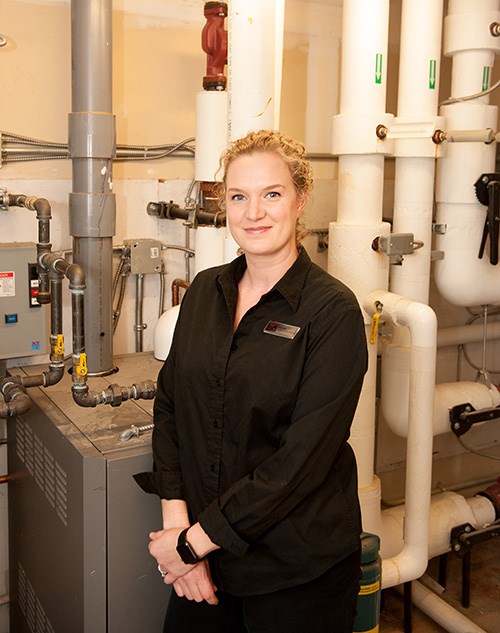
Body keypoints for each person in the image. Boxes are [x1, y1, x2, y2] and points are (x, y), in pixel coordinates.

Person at [135, 129, 368, 633]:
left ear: (300, 200)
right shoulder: (203, 291)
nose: (253, 212)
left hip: (293, 571)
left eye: (272, 194)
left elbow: (300, 462)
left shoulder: (332, 312)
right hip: (203, 556)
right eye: (239, 196)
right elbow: (172, 406)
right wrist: (178, 526)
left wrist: (191, 543)